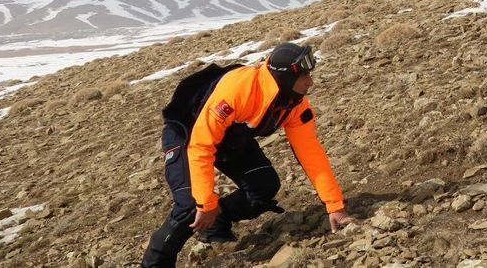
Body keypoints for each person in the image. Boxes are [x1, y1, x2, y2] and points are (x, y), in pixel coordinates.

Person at [141, 43, 353, 268]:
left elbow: (311, 153)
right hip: (187, 135)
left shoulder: (295, 103)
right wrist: (206, 203)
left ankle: (217, 224)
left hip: (230, 138)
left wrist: (334, 206)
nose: (310, 81)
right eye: (304, 75)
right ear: (286, 77)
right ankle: (154, 264)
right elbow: (201, 146)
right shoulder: (239, 89)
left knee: (263, 185)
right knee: (190, 204)